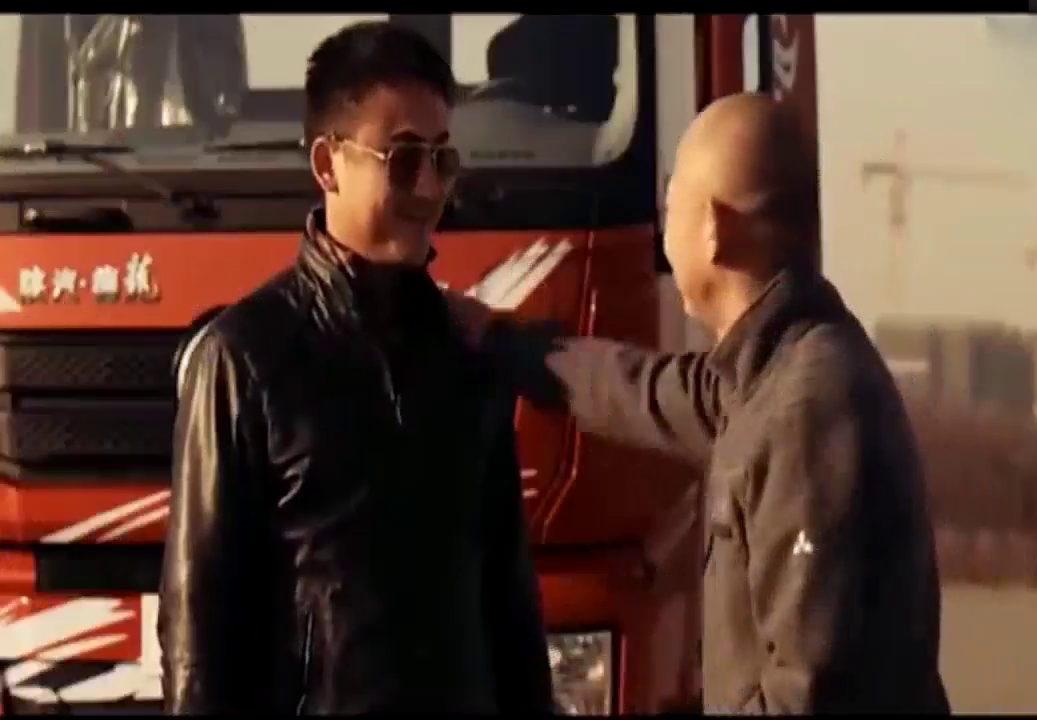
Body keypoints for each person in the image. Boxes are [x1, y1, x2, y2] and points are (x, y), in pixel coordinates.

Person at [451, 93, 950, 714]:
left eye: (671, 205)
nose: (664, 231)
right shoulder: (768, 375)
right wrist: (504, 344)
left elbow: (807, 694)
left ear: (713, 228)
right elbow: (641, 389)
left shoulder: (807, 409)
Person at [158, 21, 553, 714]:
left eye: (442, 159)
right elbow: (199, 628)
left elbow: (510, 605)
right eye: (402, 159)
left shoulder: (469, 351)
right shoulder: (243, 358)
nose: (428, 187)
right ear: (327, 163)